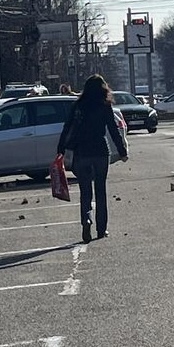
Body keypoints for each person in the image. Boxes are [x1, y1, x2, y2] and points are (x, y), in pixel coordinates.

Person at [57, 74, 129, 244]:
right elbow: (113, 130)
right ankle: (101, 229)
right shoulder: (104, 105)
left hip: (82, 152)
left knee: (85, 191)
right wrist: (122, 151)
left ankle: (86, 219)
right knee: (100, 190)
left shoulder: (78, 105)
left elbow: (67, 128)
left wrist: (60, 150)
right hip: (100, 151)